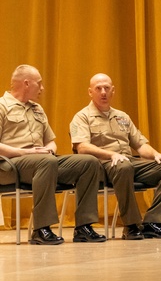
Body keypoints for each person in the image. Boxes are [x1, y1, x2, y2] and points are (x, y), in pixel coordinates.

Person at [70, 73, 161, 240]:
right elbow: (82, 147)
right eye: (98, 88)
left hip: (127, 162)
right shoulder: (82, 117)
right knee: (123, 166)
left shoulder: (122, 116)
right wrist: (112, 154)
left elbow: (140, 145)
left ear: (113, 91)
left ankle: (152, 222)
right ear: (90, 92)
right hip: (102, 165)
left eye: (106, 88)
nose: (103, 92)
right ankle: (131, 225)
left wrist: (156, 154)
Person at [0, 65, 105, 245]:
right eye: (39, 83)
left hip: (43, 162)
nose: (42, 88)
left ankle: (84, 226)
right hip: (10, 165)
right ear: (26, 83)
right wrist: (26, 152)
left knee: (88, 162)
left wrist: (49, 149)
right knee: (46, 162)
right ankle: (41, 229)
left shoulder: (37, 109)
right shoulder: (2, 106)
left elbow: (51, 141)